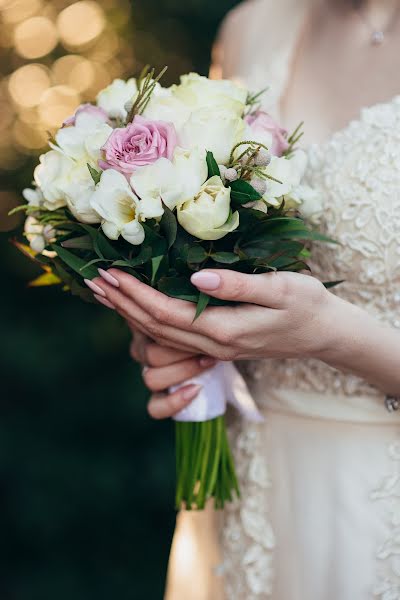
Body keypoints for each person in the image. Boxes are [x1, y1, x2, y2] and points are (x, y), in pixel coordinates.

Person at [91, 0, 400, 597]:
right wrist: (175, 328)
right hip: (251, 487)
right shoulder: (251, 27)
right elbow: (208, 241)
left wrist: (335, 335)